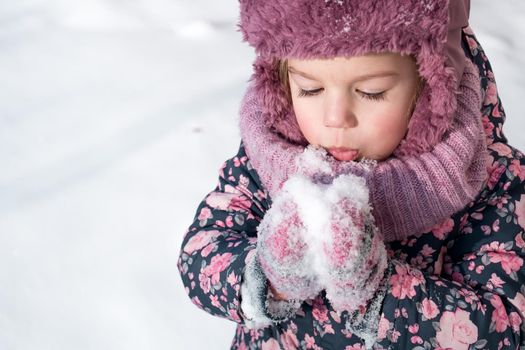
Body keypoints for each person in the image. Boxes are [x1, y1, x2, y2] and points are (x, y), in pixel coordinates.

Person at [178, 0, 525, 348]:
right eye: (310, 89)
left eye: (370, 92)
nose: (335, 118)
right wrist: (270, 278)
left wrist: (378, 292)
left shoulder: (489, 180)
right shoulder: (269, 156)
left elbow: (506, 326)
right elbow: (201, 253)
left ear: (433, 87)